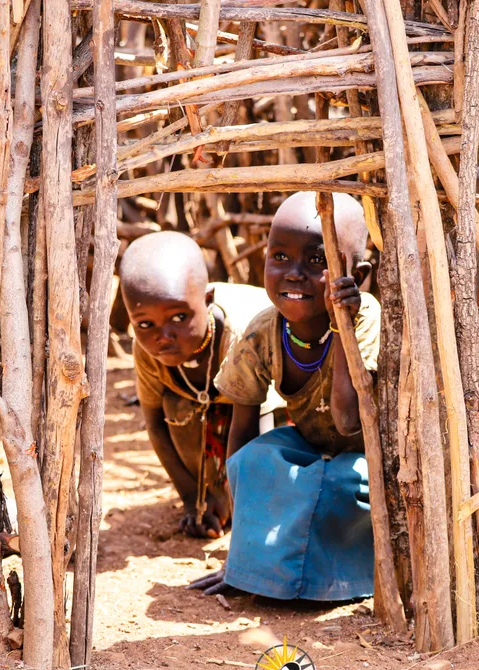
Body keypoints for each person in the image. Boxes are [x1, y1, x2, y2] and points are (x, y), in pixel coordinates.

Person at [189, 192, 378, 601]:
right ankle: (263, 574)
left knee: (342, 484)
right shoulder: (263, 331)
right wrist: (243, 555)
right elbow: (240, 445)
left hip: (369, 460)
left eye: (317, 261)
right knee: (256, 461)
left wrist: (341, 323)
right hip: (308, 451)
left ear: (357, 274)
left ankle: (340, 585)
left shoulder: (368, 319)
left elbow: (349, 421)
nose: (293, 273)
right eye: (279, 257)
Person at [119, 231, 282, 538]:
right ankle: (212, 497)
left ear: (207, 301)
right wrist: (194, 503)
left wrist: (251, 513)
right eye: (144, 324)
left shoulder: (244, 334)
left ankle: (252, 503)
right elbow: (155, 425)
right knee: (175, 405)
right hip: (214, 416)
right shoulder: (147, 352)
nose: (162, 336)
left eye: (179, 317)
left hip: (270, 420)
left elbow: (262, 429)